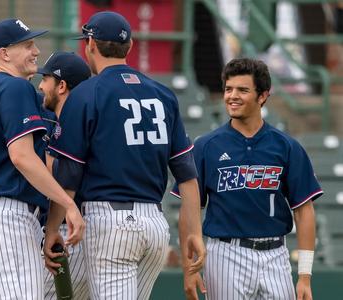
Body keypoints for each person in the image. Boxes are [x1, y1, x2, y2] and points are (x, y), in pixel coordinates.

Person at [44, 11, 206, 300]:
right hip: (155, 226)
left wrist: (53, 227)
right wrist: (193, 231)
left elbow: (69, 175)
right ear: (130, 47)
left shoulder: (86, 94)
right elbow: (187, 176)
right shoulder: (163, 94)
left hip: (111, 223)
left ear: (90, 44)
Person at [171, 58, 323, 300]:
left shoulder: (286, 146)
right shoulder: (206, 146)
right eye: (228, 89)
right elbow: (189, 209)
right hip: (226, 254)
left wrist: (305, 275)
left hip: (276, 254)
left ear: (262, 96)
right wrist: (189, 269)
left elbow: (304, 211)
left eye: (242, 90)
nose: (233, 96)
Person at [0, 18, 85, 299]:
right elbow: (21, 157)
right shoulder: (15, 87)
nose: (36, 51)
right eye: (27, 45)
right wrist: (68, 204)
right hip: (8, 218)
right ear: (4, 54)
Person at [37, 51, 92, 300]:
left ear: (61, 85)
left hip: (70, 230)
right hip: (74, 227)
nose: (40, 85)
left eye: (45, 78)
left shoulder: (72, 124)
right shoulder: (85, 119)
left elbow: (60, 179)